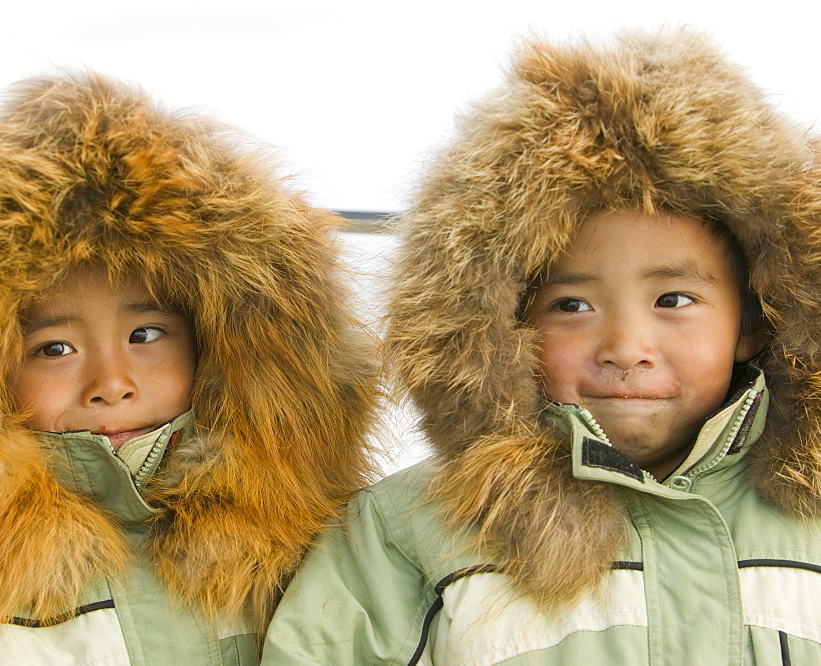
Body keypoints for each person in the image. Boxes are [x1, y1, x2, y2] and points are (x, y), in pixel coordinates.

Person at [262, 29, 821, 664]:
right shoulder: (408, 533)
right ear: (498, 333)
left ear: (756, 318)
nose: (626, 347)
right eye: (572, 306)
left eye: (673, 301)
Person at [0, 72, 377, 664]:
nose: (112, 385)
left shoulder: (316, 538)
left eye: (145, 335)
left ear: (217, 349)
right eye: (55, 349)